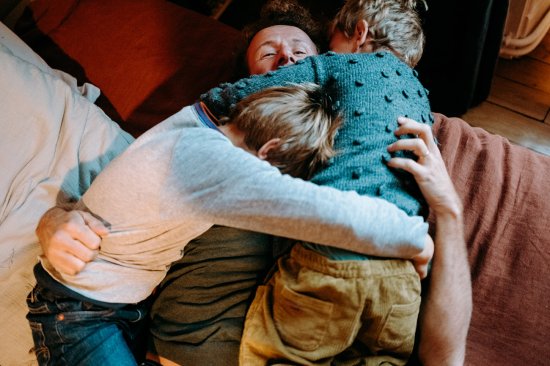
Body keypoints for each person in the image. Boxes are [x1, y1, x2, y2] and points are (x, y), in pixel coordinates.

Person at [36, 1, 471, 365]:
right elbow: (112, 184)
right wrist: (55, 220)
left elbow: (444, 359)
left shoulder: (397, 151)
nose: (288, 62)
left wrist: (449, 213)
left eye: (304, 55)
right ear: (250, 91)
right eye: (269, 56)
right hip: (102, 311)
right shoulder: (212, 156)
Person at [27, 83, 432, 365]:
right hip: (78, 312)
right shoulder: (215, 165)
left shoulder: (191, 125)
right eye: (274, 175)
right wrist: (415, 237)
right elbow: (328, 213)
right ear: (269, 152)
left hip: (115, 307)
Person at [200, 1, 461, 364]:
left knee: (276, 353)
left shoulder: (339, 64)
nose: (292, 60)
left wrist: (205, 107)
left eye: (329, 42)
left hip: (332, 259)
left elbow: (253, 89)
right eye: (270, 51)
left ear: (360, 33)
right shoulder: (421, 100)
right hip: (401, 277)